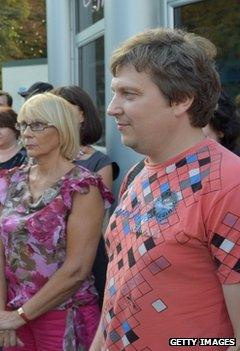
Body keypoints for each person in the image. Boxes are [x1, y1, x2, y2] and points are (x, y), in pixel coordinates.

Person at [89, 28, 240, 351]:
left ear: (182, 100)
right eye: (115, 93)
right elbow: (118, 287)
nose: (112, 108)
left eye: (129, 94)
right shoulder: (136, 174)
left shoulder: (230, 185)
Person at [0, 93, 113, 350]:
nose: (27, 133)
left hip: (64, 315)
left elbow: (77, 270)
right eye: (24, 125)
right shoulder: (12, 180)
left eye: (38, 125)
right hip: (14, 312)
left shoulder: (83, 186)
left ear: (62, 128)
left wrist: (18, 316)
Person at [52, 85, 115, 306]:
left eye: (64, 109)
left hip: (81, 261)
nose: (57, 116)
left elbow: (94, 222)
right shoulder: (39, 159)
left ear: (82, 114)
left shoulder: (99, 163)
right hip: (41, 259)